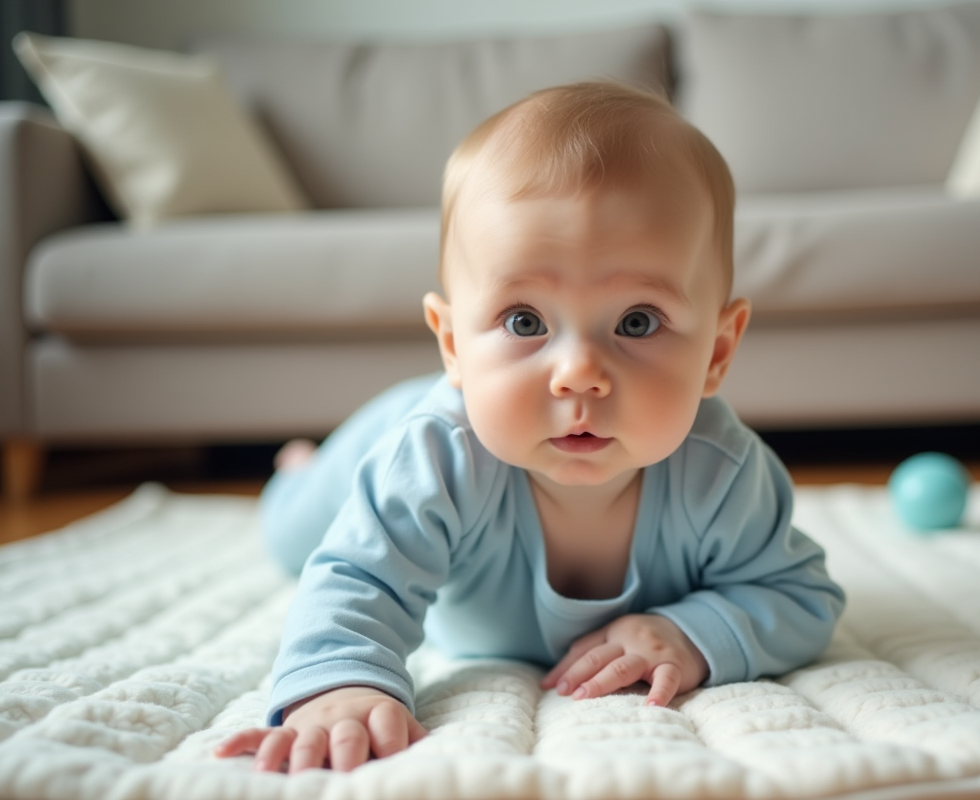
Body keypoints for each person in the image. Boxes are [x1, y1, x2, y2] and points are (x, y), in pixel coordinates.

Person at [214, 81, 845, 774]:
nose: (578, 373)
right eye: (525, 322)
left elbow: (798, 595)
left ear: (717, 353)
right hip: (378, 439)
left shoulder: (722, 472)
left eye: (637, 321)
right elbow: (360, 581)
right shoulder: (432, 458)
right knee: (295, 536)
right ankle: (298, 469)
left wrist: (692, 632)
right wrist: (341, 681)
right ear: (453, 345)